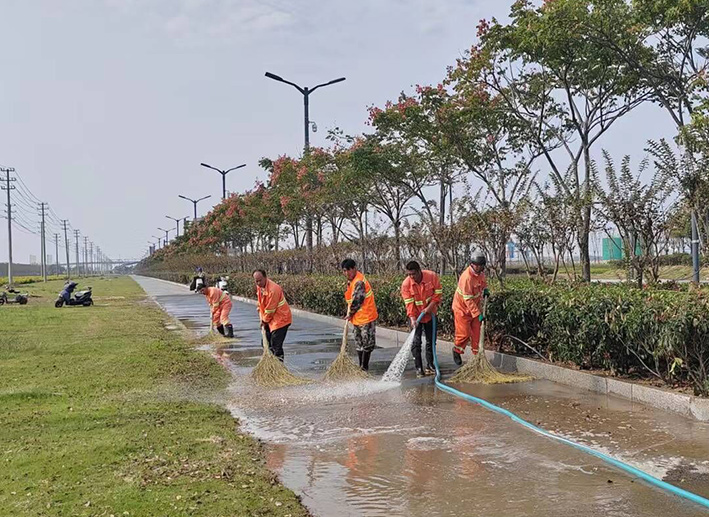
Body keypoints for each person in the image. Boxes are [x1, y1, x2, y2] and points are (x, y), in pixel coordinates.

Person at [400, 261, 443, 377]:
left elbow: (438, 293)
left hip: (430, 314)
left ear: (419, 271)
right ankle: (419, 367)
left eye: (413, 274)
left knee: (431, 341)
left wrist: (430, 307)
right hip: (416, 316)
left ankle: (430, 365)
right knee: (416, 342)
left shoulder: (432, 277)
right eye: (409, 274)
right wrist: (413, 319)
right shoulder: (406, 284)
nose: (412, 277)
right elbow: (409, 304)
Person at [451, 254, 490, 366]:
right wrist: (478, 313)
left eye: (481, 266)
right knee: (464, 334)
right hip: (462, 309)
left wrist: (485, 289)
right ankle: (457, 351)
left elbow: (482, 283)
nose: (478, 268)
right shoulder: (466, 278)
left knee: (477, 333)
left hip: (475, 308)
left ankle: (477, 357)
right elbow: (468, 300)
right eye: (476, 265)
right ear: (472, 265)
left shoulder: (480, 274)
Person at [341, 258, 378, 371]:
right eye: (344, 271)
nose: (346, 273)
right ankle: (361, 366)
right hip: (357, 318)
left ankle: (364, 367)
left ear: (354, 268)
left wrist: (350, 313)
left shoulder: (359, 281)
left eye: (348, 270)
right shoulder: (351, 281)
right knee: (359, 342)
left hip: (366, 316)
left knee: (367, 343)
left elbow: (358, 300)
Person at [253, 269, 292, 361]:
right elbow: (261, 303)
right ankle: (270, 363)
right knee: (265, 343)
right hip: (270, 319)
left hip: (281, 319)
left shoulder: (273, 289)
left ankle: (279, 366)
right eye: (256, 281)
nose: (258, 283)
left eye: (260, 280)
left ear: (265, 277)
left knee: (275, 345)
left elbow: (270, 309)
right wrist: (261, 315)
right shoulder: (260, 287)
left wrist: (264, 321)